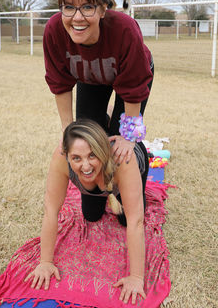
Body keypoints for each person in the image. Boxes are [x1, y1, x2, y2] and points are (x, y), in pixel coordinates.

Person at [25, 119, 149, 305]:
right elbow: (50, 210)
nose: (85, 166)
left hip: (129, 164)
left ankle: (109, 119)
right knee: (90, 215)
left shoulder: (123, 162)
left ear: (103, 152)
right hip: (100, 180)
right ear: (66, 156)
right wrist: (45, 262)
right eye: (76, 158)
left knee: (126, 219)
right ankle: (106, 118)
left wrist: (136, 277)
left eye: (92, 156)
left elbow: (136, 222)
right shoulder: (60, 159)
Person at [43, 0, 154, 164]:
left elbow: (133, 87)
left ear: (103, 9)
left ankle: (132, 190)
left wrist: (129, 137)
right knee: (86, 138)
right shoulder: (54, 31)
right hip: (90, 76)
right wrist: (67, 130)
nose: (77, 17)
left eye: (87, 7)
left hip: (130, 76)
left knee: (120, 147)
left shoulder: (125, 29)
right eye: (69, 7)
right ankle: (94, 193)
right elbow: (60, 83)